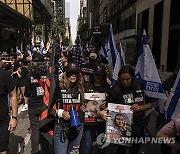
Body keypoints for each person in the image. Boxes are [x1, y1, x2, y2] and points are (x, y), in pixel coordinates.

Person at [102, 66, 153, 154]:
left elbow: (150, 104)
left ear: (132, 78)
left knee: (135, 149)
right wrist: (104, 112)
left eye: (127, 79)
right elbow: (107, 107)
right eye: (122, 79)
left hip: (138, 124)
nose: (125, 82)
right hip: (121, 126)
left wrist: (140, 107)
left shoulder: (140, 87)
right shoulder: (114, 90)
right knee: (121, 150)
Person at [53, 62, 85, 154]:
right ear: (66, 74)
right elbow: (48, 107)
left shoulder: (81, 88)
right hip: (62, 127)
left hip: (77, 128)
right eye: (71, 73)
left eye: (76, 73)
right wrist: (61, 113)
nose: (73, 75)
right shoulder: (58, 87)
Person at [83, 64, 110, 154]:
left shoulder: (107, 87)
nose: (97, 77)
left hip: (102, 120)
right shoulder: (86, 86)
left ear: (103, 76)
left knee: (101, 143)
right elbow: (82, 102)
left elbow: (111, 102)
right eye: (96, 75)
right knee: (87, 143)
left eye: (100, 75)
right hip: (89, 120)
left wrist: (107, 105)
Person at [24, 57, 48, 154]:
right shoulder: (47, 75)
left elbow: (27, 93)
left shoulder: (29, 75)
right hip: (45, 104)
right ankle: (46, 150)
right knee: (45, 128)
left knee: (35, 129)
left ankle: (35, 151)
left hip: (33, 105)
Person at [0, 64, 18, 154]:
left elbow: (13, 95)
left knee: (3, 150)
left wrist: (14, 117)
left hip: (2, 122)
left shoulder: (3, 74)